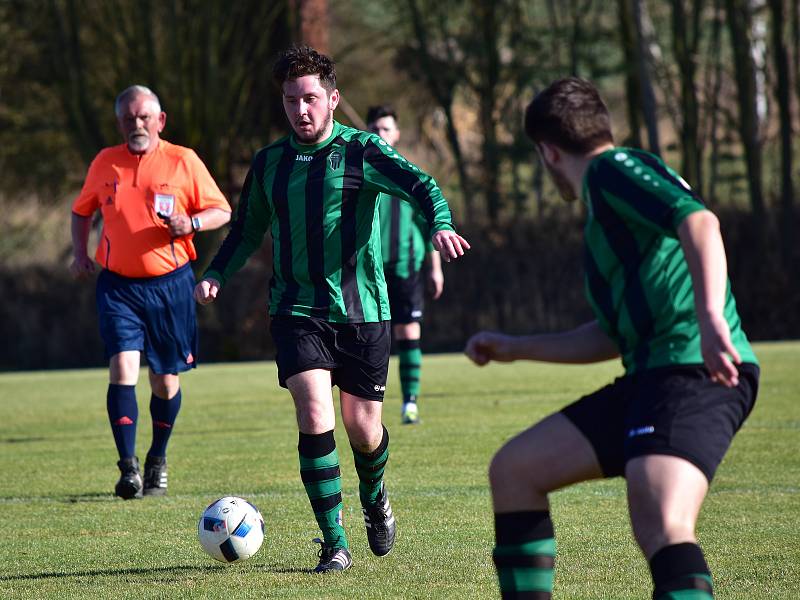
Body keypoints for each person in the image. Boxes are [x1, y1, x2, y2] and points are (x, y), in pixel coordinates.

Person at [465, 77, 758, 599]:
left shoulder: (612, 170)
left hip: (694, 369)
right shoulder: (607, 211)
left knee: (660, 514)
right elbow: (608, 336)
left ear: (547, 152)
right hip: (649, 375)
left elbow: (701, 222)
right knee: (515, 470)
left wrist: (712, 318)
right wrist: (515, 347)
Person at [194, 46, 469, 573]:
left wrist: (439, 224)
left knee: (364, 431)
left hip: (363, 310)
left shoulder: (363, 151)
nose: (301, 109)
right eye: (291, 99)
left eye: (312, 99)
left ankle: (375, 496)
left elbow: (422, 185)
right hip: (297, 309)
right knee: (315, 413)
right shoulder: (269, 163)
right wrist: (215, 274)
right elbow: (246, 227)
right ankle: (334, 541)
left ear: (334, 100)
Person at [70, 85, 231, 500]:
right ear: (119, 122)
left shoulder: (183, 160)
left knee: (164, 380)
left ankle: (158, 458)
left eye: (144, 117)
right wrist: (80, 253)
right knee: (122, 368)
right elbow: (81, 210)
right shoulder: (105, 162)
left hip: (170, 285)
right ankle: (128, 470)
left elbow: (222, 210)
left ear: (160, 120)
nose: (136, 125)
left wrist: (192, 224)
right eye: (128, 118)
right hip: (118, 286)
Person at [367, 105, 444, 424]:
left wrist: (435, 268)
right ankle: (371, 407)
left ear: (396, 134)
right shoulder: (358, 173)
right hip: (368, 272)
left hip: (406, 268)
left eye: (386, 129)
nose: (381, 134)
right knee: (372, 340)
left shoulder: (410, 178)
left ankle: (409, 402)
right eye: (375, 129)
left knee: (408, 332)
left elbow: (428, 228)